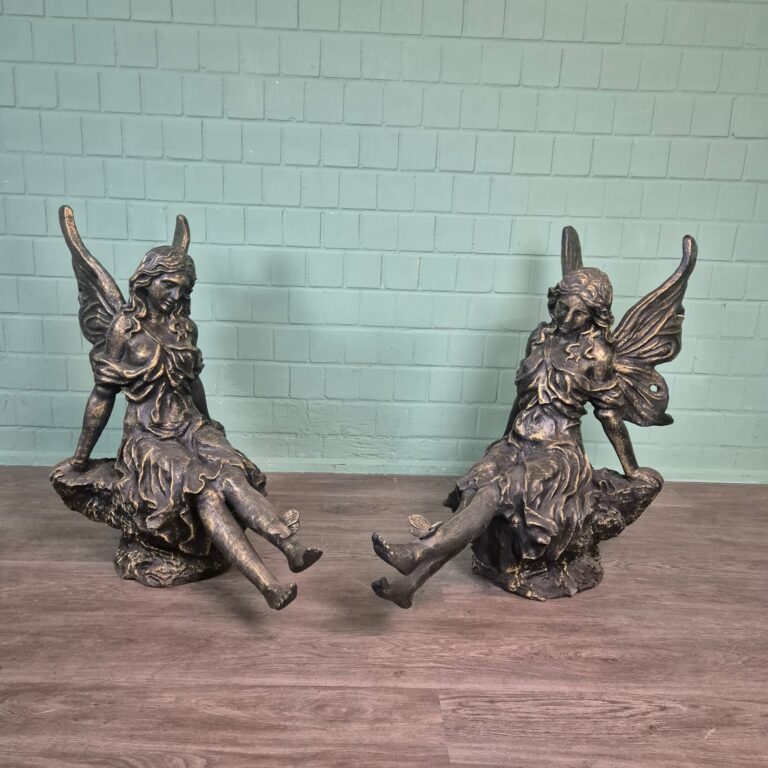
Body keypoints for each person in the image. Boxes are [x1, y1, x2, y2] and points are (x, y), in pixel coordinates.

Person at [370, 232, 696, 609]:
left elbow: (608, 415)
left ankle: (417, 553)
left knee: (494, 494)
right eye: (563, 307)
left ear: (595, 315)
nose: (567, 318)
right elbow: (522, 398)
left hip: (558, 451)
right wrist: (501, 444)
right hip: (517, 441)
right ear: (554, 300)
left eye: (579, 313)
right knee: (476, 487)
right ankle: (409, 586)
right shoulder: (540, 337)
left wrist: (632, 469)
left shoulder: (598, 355)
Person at [56, 208, 321, 610]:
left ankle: (290, 547)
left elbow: (193, 382)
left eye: (184, 289)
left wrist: (209, 424)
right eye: (169, 285)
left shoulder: (184, 327)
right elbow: (102, 395)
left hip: (189, 425)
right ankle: (268, 585)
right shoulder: (124, 328)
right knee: (206, 492)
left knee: (231, 475)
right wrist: (81, 458)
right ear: (146, 281)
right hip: (148, 435)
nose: (176, 296)